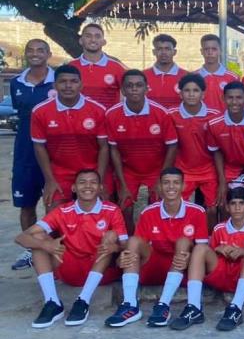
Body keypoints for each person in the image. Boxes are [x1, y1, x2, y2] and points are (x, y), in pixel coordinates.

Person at [16, 169, 125, 328]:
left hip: (101, 270)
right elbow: (21, 237)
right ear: (73, 188)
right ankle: (52, 303)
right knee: (38, 238)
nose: (88, 186)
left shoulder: (112, 210)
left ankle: (83, 301)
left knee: (109, 238)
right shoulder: (63, 211)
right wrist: (46, 244)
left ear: (101, 187)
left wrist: (114, 247)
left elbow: (124, 244)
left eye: (93, 182)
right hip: (70, 268)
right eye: (82, 182)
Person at [107, 168, 209, 329]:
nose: (171, 187)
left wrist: (189, 258)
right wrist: (123, 258)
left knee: (183, 242)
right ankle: (130, 305)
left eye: (176, 183)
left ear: (183, 186)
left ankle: (163, 305)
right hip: (154, 267)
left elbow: (201, 247)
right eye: (166, 183)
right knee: (134, 241)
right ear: (159, 187)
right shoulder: (148, 212)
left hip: (182, 268)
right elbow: (138, 247)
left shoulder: (197, 212)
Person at [170, 186, 244, 332]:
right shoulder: (219, 228)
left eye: (241, 203)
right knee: (200, 248)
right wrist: (218, 249)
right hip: (222, 274)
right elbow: (209, 254)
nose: (237, 207)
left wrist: (243, 251)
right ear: (227, 207)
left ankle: (236, 308)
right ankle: (194, 307)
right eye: (233, 203)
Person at [106, 70, 178, 232]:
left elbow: (172, 145)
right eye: (129, 86)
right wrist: (122, 181)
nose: (134, 89)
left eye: (138, 85)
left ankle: (154, 241)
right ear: (122, 90)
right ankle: (129, 244)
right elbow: (114, 149)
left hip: (156, 169)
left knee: (158, 206)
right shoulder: (112, 114)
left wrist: (162, 178)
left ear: (146, 89)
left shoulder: (161, 113)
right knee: (125, 206)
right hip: (129, 170)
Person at [31, 65, 109, 209]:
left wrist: (99, 179)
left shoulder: (98, 110)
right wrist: (49, 180)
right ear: (55, 85)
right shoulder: (40, 111)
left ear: (81, 84)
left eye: (73, 81)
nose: (68, 86)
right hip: (59, 174)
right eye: (63, 81)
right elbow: (39, 147)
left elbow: (104, 147)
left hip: (92, 171)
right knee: (53, 216)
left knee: (97, 216)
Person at [10, 38, 54, 270]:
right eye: (31, 50)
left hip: (52, 153)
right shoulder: (17, 82)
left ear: (49, 53)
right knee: (26, 204)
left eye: (40, 50)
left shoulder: (59, 81)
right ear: (26, 54)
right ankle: (31, 250)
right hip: (25, 153)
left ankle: (52, 250)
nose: (35, 54)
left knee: (53, 205)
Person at [205, 82, 244, 221]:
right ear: (223, 98)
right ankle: (225, 238)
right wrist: (222, 181)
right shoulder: (214, 123)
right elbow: (217, 152)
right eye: (230, 98)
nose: (234, 102)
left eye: (239, 97)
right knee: (223, 205)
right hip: (230, 169)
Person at [168, 74, 222, 228]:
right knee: (178, 208)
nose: (191, 94)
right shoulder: (172, 114)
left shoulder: (214, 116)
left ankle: (210, 240)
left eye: (196, 90)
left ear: (203, 94)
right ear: (180, 93)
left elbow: (218, 149)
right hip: (183, 170)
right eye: (187, 90)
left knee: (212, 209)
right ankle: (183, 238)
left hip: (208, 169)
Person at [69, 22, 127, 109]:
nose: (93, 40)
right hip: (77, 120)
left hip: (107, 120)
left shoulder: (117, 68)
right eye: (88, 36)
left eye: (97, 36)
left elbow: (127, 96)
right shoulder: (71, 67)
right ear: (81, 41)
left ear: (104, 42)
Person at [196, 34, 240, 113]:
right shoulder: (194, 77)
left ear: (220, 51)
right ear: (201, 51)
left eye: (214, 49)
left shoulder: (233, 78)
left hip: (224, 123)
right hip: (201, 122)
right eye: (206, 49)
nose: (210, 52)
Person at [143, 34, 185, 109]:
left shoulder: (186, 76)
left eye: (167, 49)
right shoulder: (143, 76)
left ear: (174, 52)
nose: (163, 52)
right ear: (154, 52)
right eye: (159, 49)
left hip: (177, 120)